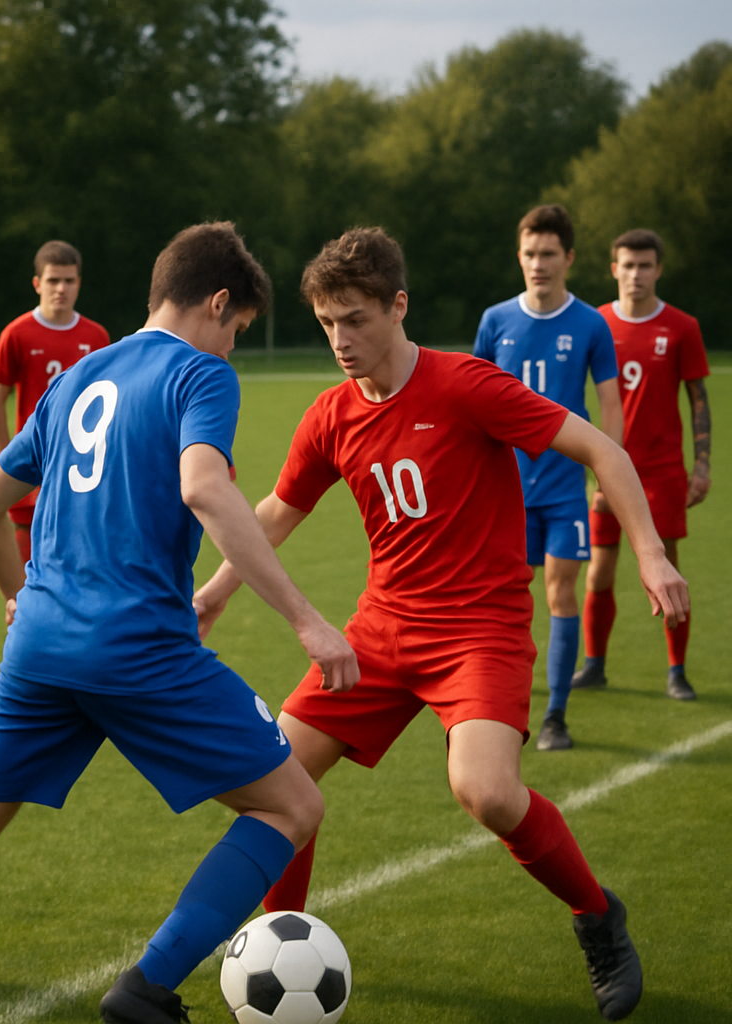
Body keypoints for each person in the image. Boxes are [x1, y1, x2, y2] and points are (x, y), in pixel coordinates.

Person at [0, 221, 357, 1024]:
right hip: (138, 648)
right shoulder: (200, 375)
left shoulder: (76, 377)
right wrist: (309, 621)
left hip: (40, 647)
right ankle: (147, 987)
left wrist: (19, 596)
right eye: (237, 331)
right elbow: (207, 490)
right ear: (217, 303)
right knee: (292, 806)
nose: (233, 350)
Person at [216, 227, 685, 1021]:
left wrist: (650, 555)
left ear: (399, 307)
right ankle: (278, 937)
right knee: (277, 782)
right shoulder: (330, 415)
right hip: (381, 632)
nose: (341, 339)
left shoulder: (468, 385)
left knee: (487, 793)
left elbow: (601, 447)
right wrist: (217, 589)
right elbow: (277, 511)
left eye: (356, 319)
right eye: (328, 322)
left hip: (479, 630)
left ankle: (598, 915)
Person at [473, 204, 622, 752]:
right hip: (505, 489)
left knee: (560, 593)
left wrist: (607, 474)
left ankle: (555, 714)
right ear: (520, 257)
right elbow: (475, 400)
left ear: (569, 259)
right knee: (505, 600)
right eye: (530, 254)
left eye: (549, 254)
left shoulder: (590, 323)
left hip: (563, 490)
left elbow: (610, 404)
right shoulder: (495, 321)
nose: (539, 264)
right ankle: (497, 706)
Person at [574, 229, 711, 701]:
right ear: (614, 269)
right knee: (599, 573)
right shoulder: (595, 323)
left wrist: (703, 464)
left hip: (662, 471)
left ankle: (677, 670)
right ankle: (594, 665)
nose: (636, 274)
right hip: (606, 472)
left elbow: (698, 399)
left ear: (658, 269)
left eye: (645, 265)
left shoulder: (681, 327)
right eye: (627, 265)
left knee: (667, 570)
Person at [0, 240, 110, 562]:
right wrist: (7, 461)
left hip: (81, 472)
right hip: (34, 469)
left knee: (80, 571)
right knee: (27, 586)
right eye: (53, 280)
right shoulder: (17, 334)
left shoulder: (96, 337)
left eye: (69, 280)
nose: (61, 288)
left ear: (79, 283)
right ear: (37, 283)